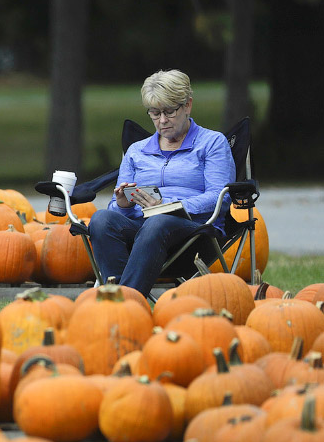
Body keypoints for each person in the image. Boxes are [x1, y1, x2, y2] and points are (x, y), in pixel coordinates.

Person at [87, 69, 235, 297]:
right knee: (101, 219)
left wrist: (166, 206)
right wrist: (122, 206)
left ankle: (125, 305)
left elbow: (221, 197)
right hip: (141, 229)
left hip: (194, 232)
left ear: (188, 105)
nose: (162, 121)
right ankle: (120, 302)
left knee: (158, 222)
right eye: (155, 113)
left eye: (169, 111)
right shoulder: (137, 151)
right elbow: (118, 211)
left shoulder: (212, 143)